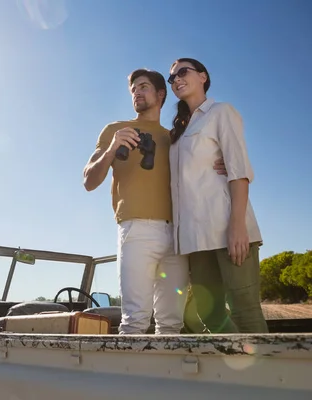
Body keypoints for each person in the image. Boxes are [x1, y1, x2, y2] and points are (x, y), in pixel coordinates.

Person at [83, 68, 225, 335]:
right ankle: (128, 377)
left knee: (172, 323)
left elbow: (200, 169)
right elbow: (89, 181)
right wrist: (113, 148)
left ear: (161, 94)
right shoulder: (115, 130)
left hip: (178, 235)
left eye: (144, 86)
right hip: (136, 230)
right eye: (134, 88)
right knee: (135, 319)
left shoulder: (175, 137)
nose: (137, 91)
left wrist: (224, 164)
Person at [167, 58, 269, 333]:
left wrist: (237, 226)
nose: (176, 79)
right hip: (195, 240)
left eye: (182, 72)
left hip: (228, 230)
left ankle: (267, 376)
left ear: (203, 76)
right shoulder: (177, 133)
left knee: (245, 310)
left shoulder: (221, 112)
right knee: (208, 314)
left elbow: (239, 171)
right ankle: (239, 369)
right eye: (172, 77)